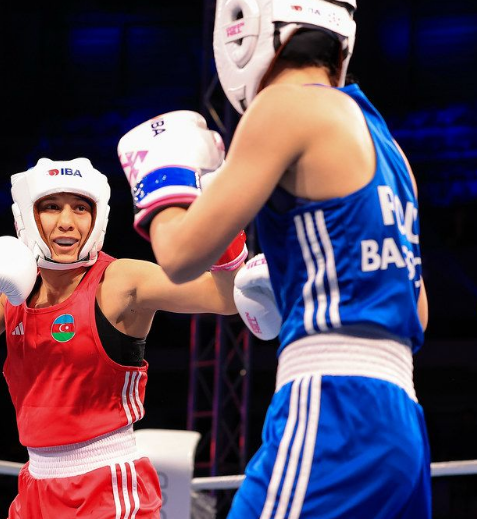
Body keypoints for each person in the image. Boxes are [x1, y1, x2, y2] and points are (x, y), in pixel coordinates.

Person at [116, 0, 431, 517]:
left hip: (333, 407)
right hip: (401, 416)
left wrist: (162, 181)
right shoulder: (389, 147)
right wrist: (295, 289)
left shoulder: (284, 105)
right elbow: (414, 310)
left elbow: (179, 256)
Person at [0, 157, 247, 519]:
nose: (67, 222)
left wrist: (221, 214)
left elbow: (226, 298)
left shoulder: (119, 281)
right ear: (27, 215)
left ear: (97, 217)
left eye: (80, 208)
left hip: (106, 484)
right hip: (35, 484)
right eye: (51, 207)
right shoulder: (14, 294)